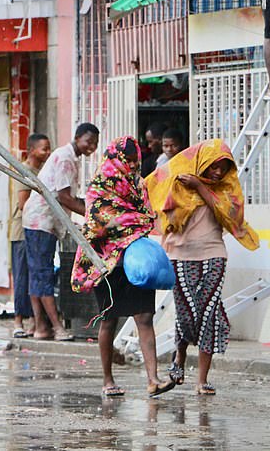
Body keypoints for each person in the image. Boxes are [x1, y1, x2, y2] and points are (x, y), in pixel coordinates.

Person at [145, 139, 259, 396]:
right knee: (187, 313)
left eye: (223, 167)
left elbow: (229, 216)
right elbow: (153, 194)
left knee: (209, 312)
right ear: (202, 162)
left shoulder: (226, 189)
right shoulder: (178, 179)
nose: (218, 172)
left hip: (214, 255)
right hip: (179, 255)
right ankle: (179, 359)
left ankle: (202, 379)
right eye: (213, 166)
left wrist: (200, 186)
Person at [71, 136, 176, 398]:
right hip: (107, 264)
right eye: (125, 161)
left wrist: (127, 222)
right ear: (115, 159)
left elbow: (147, 216)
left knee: (144, 317)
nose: (130, 165)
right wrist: (123, 222)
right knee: (109, 320)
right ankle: (108, 380)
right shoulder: (100, 185)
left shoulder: (138, 184)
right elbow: (95, 224)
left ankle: (153, 379)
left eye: (133, 161)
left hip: (136, 261)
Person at [22, 122, 99, 341]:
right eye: (88, 142)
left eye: (94, 143)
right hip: (41, 221)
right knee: (42, 275)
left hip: (43, 221)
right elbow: (65, 197)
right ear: (77, 138)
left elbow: (67, 198)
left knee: (37, 274)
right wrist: (92, 215)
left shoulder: (68, 157)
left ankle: (39, 326)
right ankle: (55, 327)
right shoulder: (65, 158)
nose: (91, 147)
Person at [8, 133, 52, 338]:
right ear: (31, 150)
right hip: (22, 231)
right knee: (22, 276)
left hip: (37, 228)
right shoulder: (24, 171)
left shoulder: (42, 171)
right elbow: (23, 204)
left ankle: (35, 321)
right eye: (44, 148)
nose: (48, 152)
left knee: (35, 276)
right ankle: (18, 320)